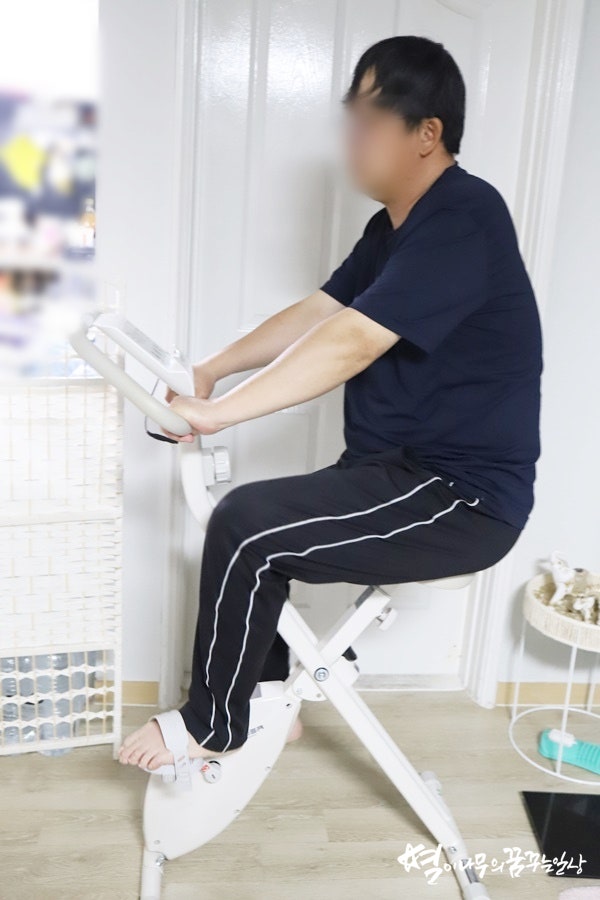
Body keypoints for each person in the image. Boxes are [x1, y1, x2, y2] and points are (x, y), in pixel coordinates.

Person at [119, 35, 542, 771]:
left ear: (427, 132)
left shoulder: (465, 217)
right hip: (395, 472)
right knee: (258, 520)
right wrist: (212, 371)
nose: (350, 138)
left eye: (367, 120)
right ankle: (268, 699)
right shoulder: (392, 230)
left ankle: (212, 724)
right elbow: (322, 312)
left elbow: (352, 341)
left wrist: (220, 413)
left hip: (460, 497)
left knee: (246, 527)